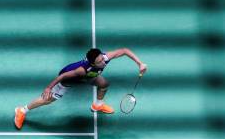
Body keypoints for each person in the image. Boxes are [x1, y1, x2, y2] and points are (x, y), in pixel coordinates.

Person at [14, 48, 147, 129]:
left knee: (104, 84)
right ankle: (22, 110)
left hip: (89, 77)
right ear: (92, 63)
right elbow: (63, 76)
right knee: (48, 100)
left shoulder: (105, 58)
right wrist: (49, 87)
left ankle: (98, 105)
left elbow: (123, 51)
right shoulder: (81, 70)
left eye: (102, 58)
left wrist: (139, 63)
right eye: (99, 62)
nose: (102, 63)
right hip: (69, 80)